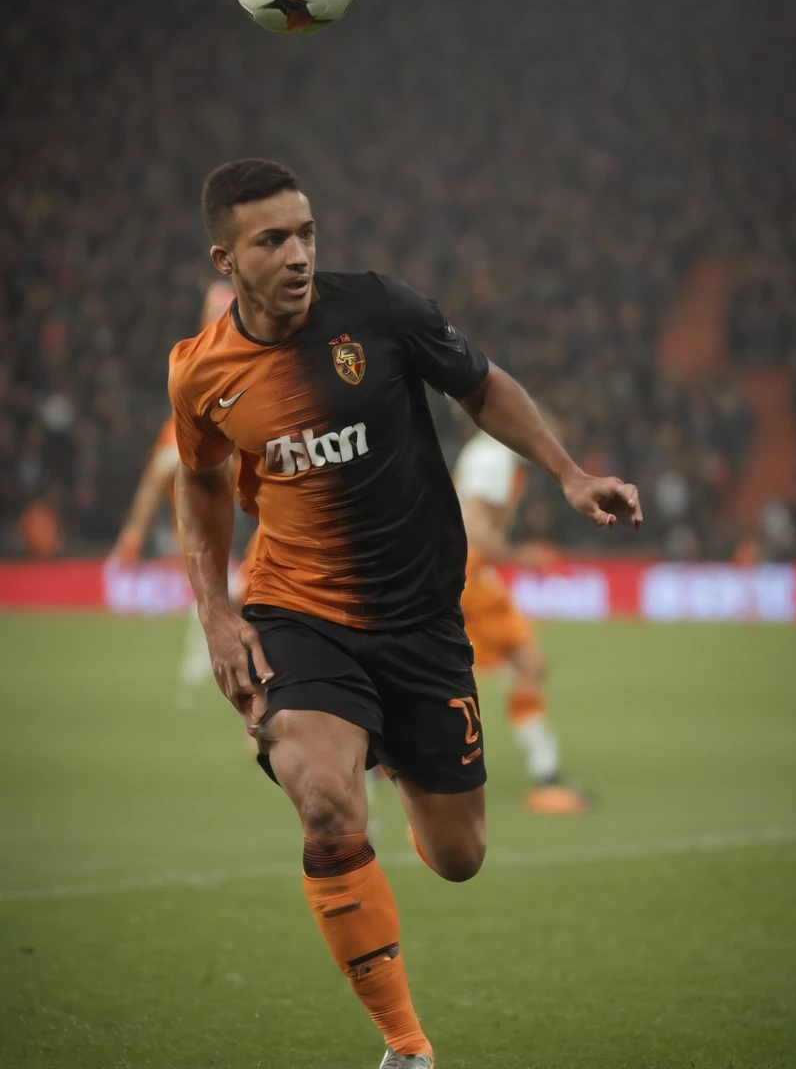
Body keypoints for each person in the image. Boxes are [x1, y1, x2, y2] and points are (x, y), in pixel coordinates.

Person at [169, 158, 642, 1069]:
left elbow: (483, 383)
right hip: (298, 609)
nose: (299, 253)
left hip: (423, 617)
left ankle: (381, 747)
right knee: (322, 804)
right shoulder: (201, 375)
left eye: (306, 232)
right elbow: (199, 482)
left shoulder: (380, 311)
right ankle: (406, 1046)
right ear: (226, 258)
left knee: (458, 856)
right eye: (273, 240)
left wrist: (570, 473)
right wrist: (217, 616)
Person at [455, 427, 591, 813]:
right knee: (527, 665)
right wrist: (520, 557)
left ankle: (384, 756)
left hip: (461, 573)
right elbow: (474, 527)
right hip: (471, 575)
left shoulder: (483, 452)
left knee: (454, 673)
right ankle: (544, 769)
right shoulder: (495, 458)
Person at [110, 280, 236, 691]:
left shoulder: (238, 377)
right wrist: (132, 535)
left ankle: (213, 658)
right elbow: (163, 470)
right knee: (225, 589)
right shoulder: (194, 385)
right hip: (212, 522)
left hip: (247, 516)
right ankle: (212, 659)